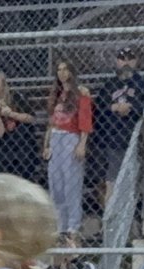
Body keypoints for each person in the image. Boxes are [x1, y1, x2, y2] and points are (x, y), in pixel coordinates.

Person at [96, 47, 144, 206]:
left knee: (136, 181)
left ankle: (135, 217)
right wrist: (114, 108)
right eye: (122, 58)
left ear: (136, 61)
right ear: (117, 61)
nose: (126, 62)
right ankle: (111, 218)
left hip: (138, 140)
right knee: (113, 180)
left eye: (130, 58)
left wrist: (132, 108)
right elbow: (99, 109)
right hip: (115, 141)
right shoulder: (109, 85)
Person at [42, 61, 92, 234]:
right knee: (56, 183)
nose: (62, 73)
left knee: (72, 182)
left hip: (71, 137)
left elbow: (85, 119)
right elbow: (51, 122)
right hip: (56, 137)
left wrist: (82, 143)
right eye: (59, 69)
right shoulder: (56, 94)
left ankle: (73, 225)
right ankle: (60, 224)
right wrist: (47, 144)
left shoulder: (80, 93)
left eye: (65, 69)